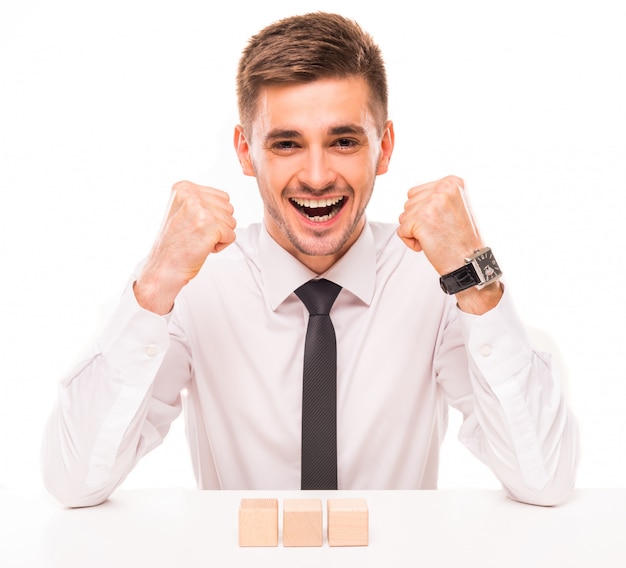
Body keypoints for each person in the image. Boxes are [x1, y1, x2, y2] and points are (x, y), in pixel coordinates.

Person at [42, 12, 579, 508]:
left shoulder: (437, 282)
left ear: (384, 147)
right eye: (286, 144)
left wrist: (475, 273)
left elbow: (544, 478)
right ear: (245, 152)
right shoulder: (196, 286)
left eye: (344, 140)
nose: (318, 175)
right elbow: (75, 481)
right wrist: (155, 282)